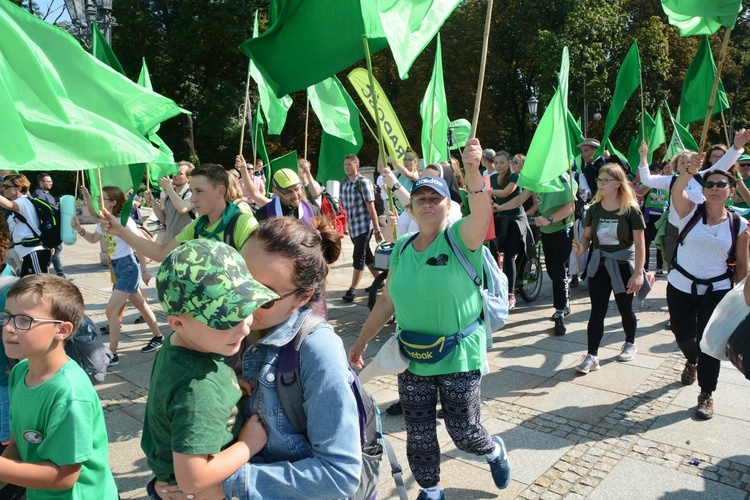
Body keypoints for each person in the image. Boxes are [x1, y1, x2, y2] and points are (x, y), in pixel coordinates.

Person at [349, 139, 511, 500]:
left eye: (434, 199)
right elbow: (387, 300)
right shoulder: (403, 248)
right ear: (412, 205)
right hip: (413, 355)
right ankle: (431, 489)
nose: (426, 204)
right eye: (420, 198)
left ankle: (493, 450)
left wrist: (472, 172)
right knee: (418, 431)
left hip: (458, 354)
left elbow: (482, 215)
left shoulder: (459, 238)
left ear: (447, 205)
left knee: (464, 432)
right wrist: (361, 342)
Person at [159, 217, 359, 499]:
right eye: (237, 286)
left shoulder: (317, 349)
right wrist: (168, 478)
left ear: (302, 298)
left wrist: (222, 486)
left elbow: (340, 476)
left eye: (263, 297)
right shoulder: (214, 330)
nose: (242, 308)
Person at [141, 239, 277, 500]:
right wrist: (248, 445)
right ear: (178, 323)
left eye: (245, 307)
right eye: (225, 318)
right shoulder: (199, 389)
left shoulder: (187, 344)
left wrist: (229, 379)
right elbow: (193, 479)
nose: (245, 327)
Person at [0, 274, 118, 499]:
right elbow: (17, 445)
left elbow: (63, 477)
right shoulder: (20, 371)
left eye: (24, 320)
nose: (9, 328)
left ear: (62, 330)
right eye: (6, 317)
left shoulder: (69, 395)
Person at [667, 156, 749, 420]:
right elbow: (677, 191)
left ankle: (706, 394)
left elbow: (742, 264)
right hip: (681, 285)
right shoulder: (689, 212)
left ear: (731, 191)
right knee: (683, 336)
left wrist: (741, 301)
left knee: (708, 343)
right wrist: (689, 172)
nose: (714, 188)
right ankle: (691, 361)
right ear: (703, 189)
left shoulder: (740, 224)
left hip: (717, 289)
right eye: (710, 184)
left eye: (721, 184)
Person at [72, 186, 164, 362]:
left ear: (113, 202)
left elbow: (139, 246)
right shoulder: (104, 221)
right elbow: (92, 239)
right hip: (117, 267)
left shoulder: (125, 222)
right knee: (140, 304)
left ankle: (112, 354)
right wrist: (78, 228)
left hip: (129, 267)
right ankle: (159, 337)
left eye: (103, 199)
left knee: (111, 311)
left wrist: (144, 270)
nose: (100, 202)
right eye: (99, 199)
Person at [572, 164, 647, 374]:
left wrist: (638, 273)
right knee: (597, 311)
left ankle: (630, 343)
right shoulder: (594, 209)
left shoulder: (631, 210)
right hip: (600, 266)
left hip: (623, 266)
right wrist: (582, 247)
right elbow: (587, 237)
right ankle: (592, 356)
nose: (601, 184)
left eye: (605, 180)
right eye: (599, 180)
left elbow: (640, 245)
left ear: (618, 183)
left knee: (625, 309)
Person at [99, 164, 259, 262]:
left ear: (220, 191)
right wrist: (120, 231)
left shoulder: (243, 222)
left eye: (199, 191)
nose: (194, 199)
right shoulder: (199, 224)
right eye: (191, 191)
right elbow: (160, 253)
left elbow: (258, 275)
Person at [490, 151, 534, 310]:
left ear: (509, 163)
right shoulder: (492, 178)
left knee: (509, 255)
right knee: (494, 253)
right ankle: (497, 288)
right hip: (500, 218)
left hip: (516, 219)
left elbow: (506, 193)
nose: (498, 166)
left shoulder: (515, 177)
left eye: (502, 162)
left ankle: (510, 294)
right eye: (496, 163)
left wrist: (485, 190)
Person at [340, 154, 383, 302]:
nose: (346, 167)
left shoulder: (363, 183)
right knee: (367, 255)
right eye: (345, 164)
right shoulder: (344, 183)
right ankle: (379, 281)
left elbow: (371, 208)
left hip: (364, 226)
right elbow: (344, 208)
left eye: (349, 165)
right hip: (353, 228)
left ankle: (352, 290)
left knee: (359, 257)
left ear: (356, 166)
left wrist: (377, 229)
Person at [0, 174, 51, 276]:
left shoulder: (23, 201)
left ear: (19, 188)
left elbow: (9, 205)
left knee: (38, 285)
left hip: (33, 252)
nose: (3, 189)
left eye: (7, 186)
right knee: (27, 287)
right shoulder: (20, 202)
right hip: (26, 252)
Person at [31, 173, 71, 280]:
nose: (51, 183)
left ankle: (45, 271)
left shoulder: (45, 193)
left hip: (53, 226)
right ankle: (60, 273)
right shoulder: (39, 195)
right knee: (55, 250)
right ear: (41, 182)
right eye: (48, 181)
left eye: (51, 181)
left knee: (54, 250)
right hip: (50, 228)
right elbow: (41, 213)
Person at [142, 161, 196, 240]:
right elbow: (163, 217)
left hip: (187, 243)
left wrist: (168, 188)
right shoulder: (171, 194)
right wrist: (153, 203)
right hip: (172, 242)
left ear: (188, 178)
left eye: (179, 173)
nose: (175, 175)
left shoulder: (191, 192)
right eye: (174, 172)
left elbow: (183, 208)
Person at [254, 168, 321, 223]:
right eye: (288, 192)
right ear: (276, 192)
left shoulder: (312, 211)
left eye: (297, 189)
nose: (295, 195)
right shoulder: (264, 214)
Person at [640, 162, 668, 275]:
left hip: (662, 216)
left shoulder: (666, 182)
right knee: (646, 242)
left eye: (658, 171)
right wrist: (651, 182)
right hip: (649, 217)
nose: (657, 173)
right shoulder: (648, 183)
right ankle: (644, 266)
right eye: (654, 171)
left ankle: (659, 268)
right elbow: (641, 193)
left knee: (660, 243)